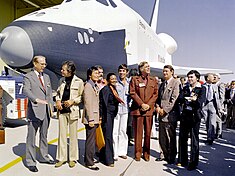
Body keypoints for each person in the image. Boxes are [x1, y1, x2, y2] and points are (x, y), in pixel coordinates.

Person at [23, 55, 55, 172]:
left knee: (44, 136)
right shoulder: (28, 77)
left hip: (46, 111)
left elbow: (49, 94)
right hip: (34, 111)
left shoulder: (46, 77)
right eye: (41, 64)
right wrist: (35, 99)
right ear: (35, 64)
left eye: (45, 64)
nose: (44, 66)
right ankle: (31, 161)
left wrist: (51, 107)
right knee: (31, 138)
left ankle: (44, 156)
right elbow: (26, 90)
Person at [55, 61, 84, 168]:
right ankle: (61, 158)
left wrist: (72, 101)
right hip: (62, 110)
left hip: (73, 111)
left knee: (73, 136)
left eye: (63, 69)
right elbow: (58, 93)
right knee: (61, 135)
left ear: (70, 71)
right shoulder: (61, 80)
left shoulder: (79, 81)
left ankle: (72, 158)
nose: (61, 71)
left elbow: (81, 96)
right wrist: (58, 101)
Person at [129, 61, 158, 161]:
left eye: (149, 66)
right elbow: (132, 93)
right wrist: (141, 104)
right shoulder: (134, 79)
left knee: (148, 133)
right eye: (146, 67)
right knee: (138, 133)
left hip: (149, 110)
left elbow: (155, 94)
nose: (148, 68)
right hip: (138, 110)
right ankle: (137, 153)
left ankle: (146, 153)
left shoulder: (153, 80)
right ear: (141, 69)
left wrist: (148, 105)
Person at [177, 70, 206, 171]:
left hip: (194, 116)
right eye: (188, 77)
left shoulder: (202, 88)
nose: (189, 79)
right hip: (185, 115)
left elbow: (201, 101)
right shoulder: (185, 88)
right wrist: (187, 98)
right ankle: (182, 159)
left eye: (191, 77)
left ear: (197, 78)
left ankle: (193, 162)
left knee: (194, 139)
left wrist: (193, 99)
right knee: (182, 138)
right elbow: (180, 99)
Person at [155, 65, 180, 164]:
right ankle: (163, 154)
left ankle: (171, 156)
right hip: (160, 113)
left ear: (172, 72)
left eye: (166, 71)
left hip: (170, 115)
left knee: (171, 136)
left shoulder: (176, 83)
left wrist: (164, 110)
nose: (164, 73)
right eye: (163, 71)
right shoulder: (162, 84)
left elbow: (174, 99)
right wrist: (157, 107)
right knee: (162, 136)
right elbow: (158, 98)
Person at [99, 73, 121, 167]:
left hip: (111, 114)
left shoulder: (113, 89)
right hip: (107, 115)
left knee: (108, 135)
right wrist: (101, 117)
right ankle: (109, 160)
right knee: (108, 136)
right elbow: (103, 104)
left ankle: (104, 156)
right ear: (108, 80)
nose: (114, 80)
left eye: (115, 78)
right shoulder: (106, 90)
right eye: (112, 79)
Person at [82, 66, 100, 171]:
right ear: (90, 75)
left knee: (92, 140)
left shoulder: (95, 85)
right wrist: (91, 119)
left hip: (95, 116)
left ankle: (89, 158)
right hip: (91, 118)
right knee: (90, 141)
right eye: (95, 73)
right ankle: (89, 162)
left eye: (98, 73)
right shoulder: (88, 86)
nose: (97, 75)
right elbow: (88, 104)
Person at [113, 64, 130, 161]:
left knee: (123, 131)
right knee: (115, 131)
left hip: (125, 110)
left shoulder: (129, 83)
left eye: (124, 71)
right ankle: (115, 152)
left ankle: (122, 151)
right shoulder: (115, 83)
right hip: (117, 110)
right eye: (120, 70)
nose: (122, 72)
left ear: (127, 72)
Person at [202, 73, 221, 145]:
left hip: (212, 104)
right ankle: (208, 136)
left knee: (212, 122)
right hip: (205, 105)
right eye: (212, 77)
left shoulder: (215, 86)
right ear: (207, 78)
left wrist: (219, 108)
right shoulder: (203, 86)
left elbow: (218, 98)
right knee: (207, 122)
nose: (213, 78)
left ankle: (211, 138)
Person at [214, 73, 225, 138]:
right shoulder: (213, 84)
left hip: (219, 105)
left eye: (215, 77)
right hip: (214, 105)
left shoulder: (220, 85)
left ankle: (219, 133)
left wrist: (219, 106)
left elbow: (222, 96)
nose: (214, 78)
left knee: (218, 120)